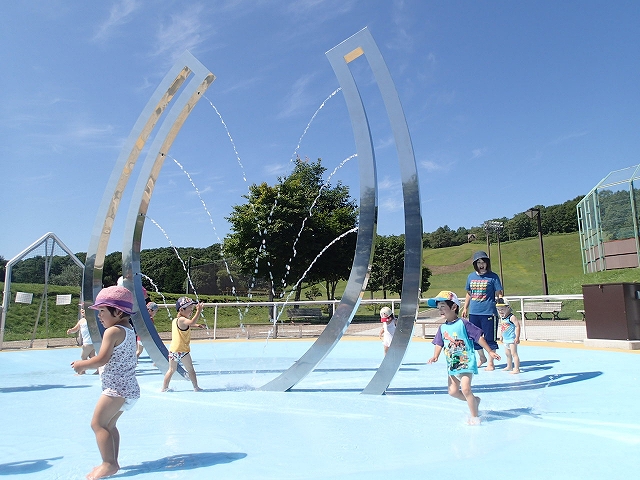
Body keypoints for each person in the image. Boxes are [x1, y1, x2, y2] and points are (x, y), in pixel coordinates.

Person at [71, 285, 140, 480]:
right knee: (109, 425)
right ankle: (113, 462)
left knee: (97, 424)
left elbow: (101, 359)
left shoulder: (113, 331)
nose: (99, 316)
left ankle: (108, 463)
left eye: (102, 311)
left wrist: (81, 364)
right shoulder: (129, 329)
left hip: (116, 389)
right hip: (128, 388)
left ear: (117, 311)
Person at [427, 290, 500, 425]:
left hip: (465, 362)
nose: (440, 310)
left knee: (466, 389)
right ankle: (475, 400)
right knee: (453, 392)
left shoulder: (463, 323)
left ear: (453, 307)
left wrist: (489, 351)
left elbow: (479, 337)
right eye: (438, 308)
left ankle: (474, 416)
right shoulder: (442, 328)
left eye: (443, 306)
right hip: (452, 365)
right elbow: (439, 343)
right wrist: (435, 356)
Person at [461, 251, 504, 370]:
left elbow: (499, 294)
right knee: (474, 337)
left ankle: (491, 362)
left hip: (488, 312)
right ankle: (482, 357)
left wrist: (501, 306)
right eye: (478, 262)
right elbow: (469, 293)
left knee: (490, 338)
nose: (481, 264)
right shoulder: (471, 276)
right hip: (474, 312)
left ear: (487, 263)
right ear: (475, 264)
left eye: (483, 262)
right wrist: (465, 307)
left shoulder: (493, 277)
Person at [162, 296, 205, 392]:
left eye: (192, 310)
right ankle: (165, 388)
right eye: (190, 309)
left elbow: (190, 323)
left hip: (179, 349)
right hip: (178, 350)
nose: (191, 311)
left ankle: (195, 387)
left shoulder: (176, 320)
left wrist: (197, 325)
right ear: (181, 309)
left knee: (186, 369)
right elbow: (191, 321)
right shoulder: (181, 320)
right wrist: (199, 311)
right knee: (176, 370)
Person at [496, 297, 521, 373]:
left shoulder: (511, 317)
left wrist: (517, 337)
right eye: (499, 309)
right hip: (506, 339)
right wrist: (501, 335)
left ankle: (516, 368)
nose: (500, 311)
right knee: (507, 354)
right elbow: (502, 327)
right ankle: (509, 366)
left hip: (511, 339)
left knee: (514, 353)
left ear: (508, 307)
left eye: (502, 309)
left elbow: (517, 326)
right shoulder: (502, 317)